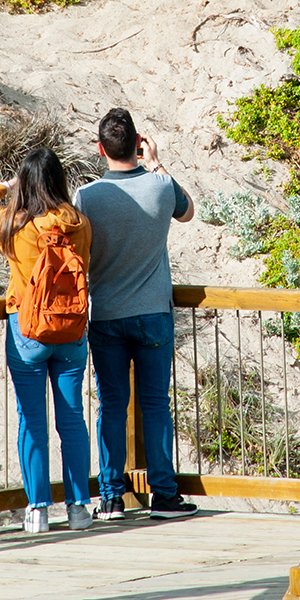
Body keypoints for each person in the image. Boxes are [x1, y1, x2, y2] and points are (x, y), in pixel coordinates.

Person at [74, 108, 197, 520]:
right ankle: (164, 494)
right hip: (153, 313)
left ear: (100, 149)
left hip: (106, 313)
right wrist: (157, 161)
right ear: (137, 144)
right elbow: (188, 210)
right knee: (156, 405)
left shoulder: (87, 197)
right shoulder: (161, 187)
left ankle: (110, 496)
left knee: (111, 405)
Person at [0, 148, 94, 533]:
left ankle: (38, 509)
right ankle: (79, 509)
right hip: (72, 329)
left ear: (26, 183)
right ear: (59, 181)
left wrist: (5, 186)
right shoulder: (81, 225)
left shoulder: (13, 226)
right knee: (72, 418)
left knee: (32, 420)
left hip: (27, 330)